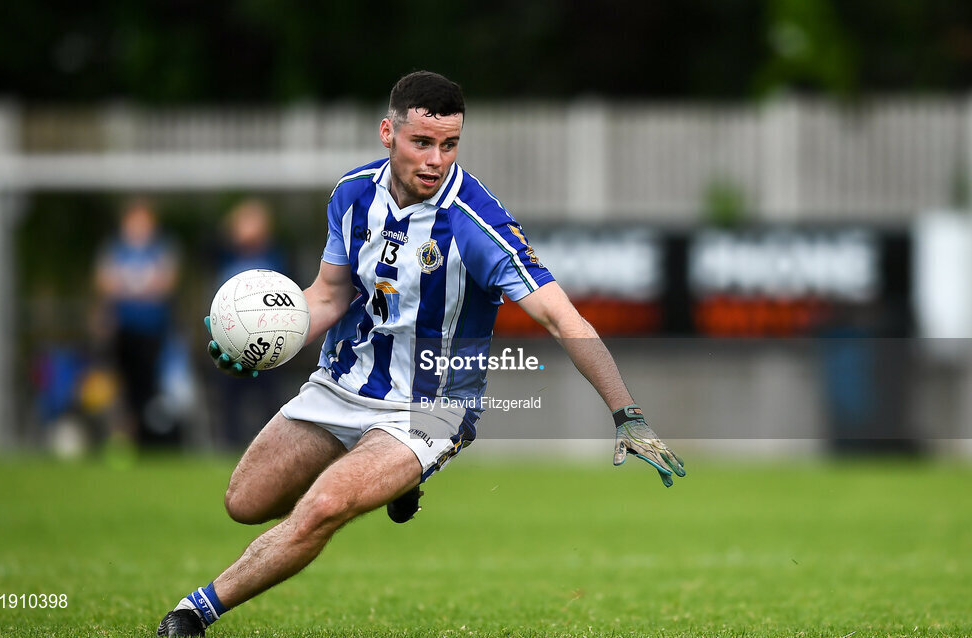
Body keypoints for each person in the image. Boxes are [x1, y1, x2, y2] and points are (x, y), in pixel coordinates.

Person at [156, 71, 685, 637]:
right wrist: (266, 342)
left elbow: (564, 318)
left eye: (450, 145)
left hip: (432, 408)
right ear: (389, 132)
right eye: (422, 142)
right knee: (246, 502)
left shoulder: (479, 226)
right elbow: (328, 296)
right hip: (342, 382)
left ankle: (192, 614)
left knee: (325, 505)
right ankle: (393, 478)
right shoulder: (352, 194)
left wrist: (625, 412)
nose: (436, 160)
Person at [95, 199, 179, 447]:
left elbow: (165, 284)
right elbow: (105, 283)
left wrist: (128, 286)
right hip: (124, 329)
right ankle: (123, 437)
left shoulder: (161, 249)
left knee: (149, 385)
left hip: (152, 330)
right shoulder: (115, 249)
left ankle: (148, 437)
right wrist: (141, 287)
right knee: (123, 385)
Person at [211, 199, 292, 449]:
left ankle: (271, 444)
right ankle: (228, 444)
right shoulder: (224, 254)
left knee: (269, 395)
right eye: (243, 222)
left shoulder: (276, 255)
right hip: (231, 339)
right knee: (229, 393)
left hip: (270, 339)